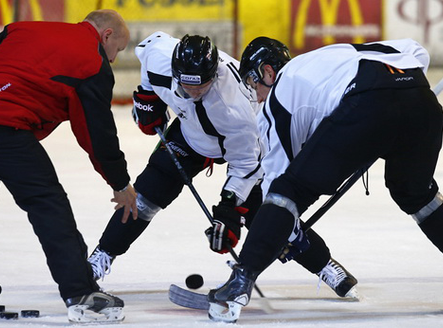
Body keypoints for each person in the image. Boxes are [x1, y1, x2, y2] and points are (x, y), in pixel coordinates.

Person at [89, 31, 358, 299]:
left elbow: (245, 165)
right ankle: (100, 257)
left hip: (242, 149)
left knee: (268, 216)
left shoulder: (235, 110)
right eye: (186, 85)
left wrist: (228, 211)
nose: (193, 91)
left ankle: (324, 265)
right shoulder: (159, 57)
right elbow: (147, 53)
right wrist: (149, 99)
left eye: (201, 86)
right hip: (190, 135)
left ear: (214, 75)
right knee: (146, 194)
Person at [207, 36, 443, 323]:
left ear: (268, 72)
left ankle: (240, 279)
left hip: (365, 104)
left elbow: (278, 192)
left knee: (289, 190)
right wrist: (389, 118)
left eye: (251, 83)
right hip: (422, 103)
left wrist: (279, 234)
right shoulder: (328, 57)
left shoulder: (279, 97)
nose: (254, 95)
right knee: (417, 195)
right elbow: (416, 52)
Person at [0, 9, 136, 323]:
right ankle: (82, 294)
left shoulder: (24, 28)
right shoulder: (92, 61)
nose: (113, 59)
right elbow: (97, 133)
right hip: (0, 120)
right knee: (47, 201)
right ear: (107, 35)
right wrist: (120, 182)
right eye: (118, 49)